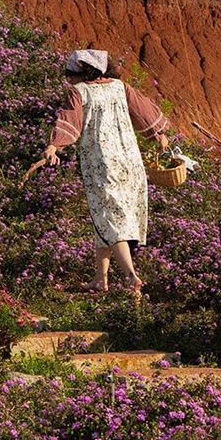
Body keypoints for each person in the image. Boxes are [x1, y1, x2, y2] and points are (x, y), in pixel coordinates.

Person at [43, 49, 172, 295]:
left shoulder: (78, 92)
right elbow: (143, 112)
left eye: (71, 75)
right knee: (105, 217)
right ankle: (100, 279)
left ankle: (131, 276)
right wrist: (159, 135)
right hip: (130, 161)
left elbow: (70, 120)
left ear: (82, 73)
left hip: (102, 163)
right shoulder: (119, 87)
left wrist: (54, 145)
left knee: (112, 219)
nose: (69, 80)